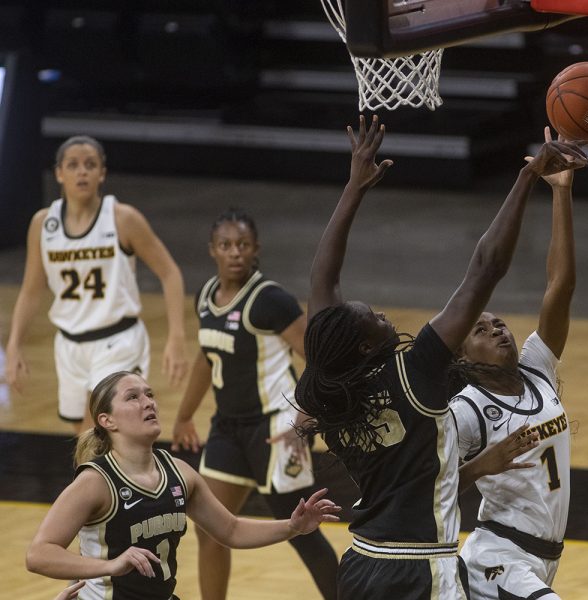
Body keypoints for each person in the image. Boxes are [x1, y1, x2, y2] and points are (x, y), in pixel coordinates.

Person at [294, 115, 587, 599]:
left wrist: (355, 187)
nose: (385, 314)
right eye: (374, 318)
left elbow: (322, 284)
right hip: (419, 567)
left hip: (362, 564)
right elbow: (485, 268)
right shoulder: (414, 376)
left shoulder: (333, 381)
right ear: (365, 346)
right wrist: (525, 178)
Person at [26, 370, 340, 600]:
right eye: (133, 397)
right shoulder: (95, 482)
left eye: (149, 394)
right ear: (107, 421)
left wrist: (293, 526)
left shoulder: (178, 472)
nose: (148, 402)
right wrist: (110, 564)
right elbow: (39, 554)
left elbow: (229, 530)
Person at [170, 208, 339, 600]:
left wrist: (305, 419)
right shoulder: (206, 296)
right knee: (210, 528)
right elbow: (205, 356)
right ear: (212, 249)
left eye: (243, 245)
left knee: (302, 532)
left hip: (276, 430)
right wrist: (182, 415)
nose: (235, 252)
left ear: (255, 249)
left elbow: (317, 360)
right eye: (226, 245)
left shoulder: (271, 300)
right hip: (227, 427)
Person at [449, 128, 577, 600]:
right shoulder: (465, 410)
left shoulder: (536, 370)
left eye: (499, 322)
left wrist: (561, 192)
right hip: (497, 558)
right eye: (481, 330)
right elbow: (426, 487)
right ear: (463, 357)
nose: (498, 329)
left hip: (545, 555)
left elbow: (559, 287)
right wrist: (482, 466)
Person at [4, 136, 188, 432]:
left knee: (102, 430)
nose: (82, 172)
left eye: (90, 165)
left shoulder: (122, 219)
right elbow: (30, 290)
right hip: (69, 345)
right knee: (86, 440)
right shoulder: (43, 224)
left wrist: (176, 338)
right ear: (59, 173)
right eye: (73, 165)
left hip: (118, 341)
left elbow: (170, 273)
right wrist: (13, 345)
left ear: (102, 173)